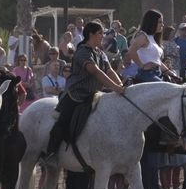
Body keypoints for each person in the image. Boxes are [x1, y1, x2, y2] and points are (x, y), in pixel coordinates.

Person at [41, 21, 124, 165]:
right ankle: (51, 153)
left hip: (95, 94)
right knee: (63, 120)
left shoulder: (100, 53)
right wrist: (115, 88)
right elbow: (95, 71)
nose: (102, 36)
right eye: (100, 33)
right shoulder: (82, 52)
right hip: (76, 94)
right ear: (91, 34)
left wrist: (121, 85)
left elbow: (109, 71)